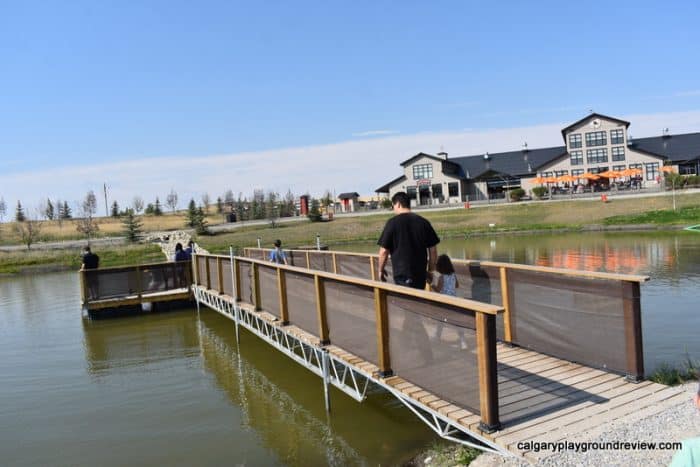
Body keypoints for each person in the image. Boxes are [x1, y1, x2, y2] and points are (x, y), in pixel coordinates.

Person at [377, 191, 440, 288]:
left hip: (401, 274)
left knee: (406, 302)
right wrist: (431, 271)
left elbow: (384, 251)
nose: (393, 209)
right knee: (419, 301)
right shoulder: (423, 222)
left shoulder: (392, 223)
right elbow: (433, 251)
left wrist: (381, 269)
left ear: (398, 204)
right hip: (420, 274)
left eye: (393, 205)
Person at [431, 254, 467, 349]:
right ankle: (463, 341)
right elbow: (457, 285)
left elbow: (438, 289)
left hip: (445, 302)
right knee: (456, 322)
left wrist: (432, 286)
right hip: (454, 301)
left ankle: (437, 336)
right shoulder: (453, 275)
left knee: (440, 320)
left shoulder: (442, 277)